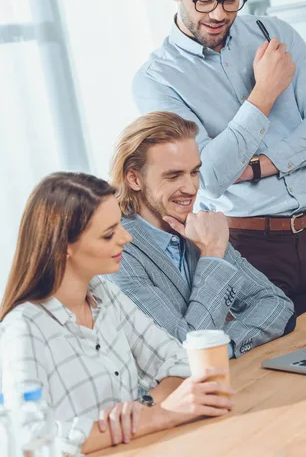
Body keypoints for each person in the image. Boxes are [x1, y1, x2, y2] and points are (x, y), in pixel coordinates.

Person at [132, 0, 306, 315]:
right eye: (203, 1)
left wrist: (257, 167)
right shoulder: (156, 82)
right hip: (247, 251)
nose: (219, 14)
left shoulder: (273, 33)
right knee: (271, 374)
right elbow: (210, 174)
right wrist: (264, 94)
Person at [0, 172, 235, 455]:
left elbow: (178, 360)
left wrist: (141, 409)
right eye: (109, 233)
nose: (126, 237)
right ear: (64, 247)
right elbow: (29, 444)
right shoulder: (23, 329)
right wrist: (158, 416)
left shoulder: (104, 294)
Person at [107, 111, 295, 358]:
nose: (191, 188)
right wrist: (213, 255)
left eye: (194, 172)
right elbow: (180, 351)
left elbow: (277, 305)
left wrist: (223, 346)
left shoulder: (199, 228)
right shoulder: (117, 254)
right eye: (173, 176)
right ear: (134, 178)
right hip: (165, 395)